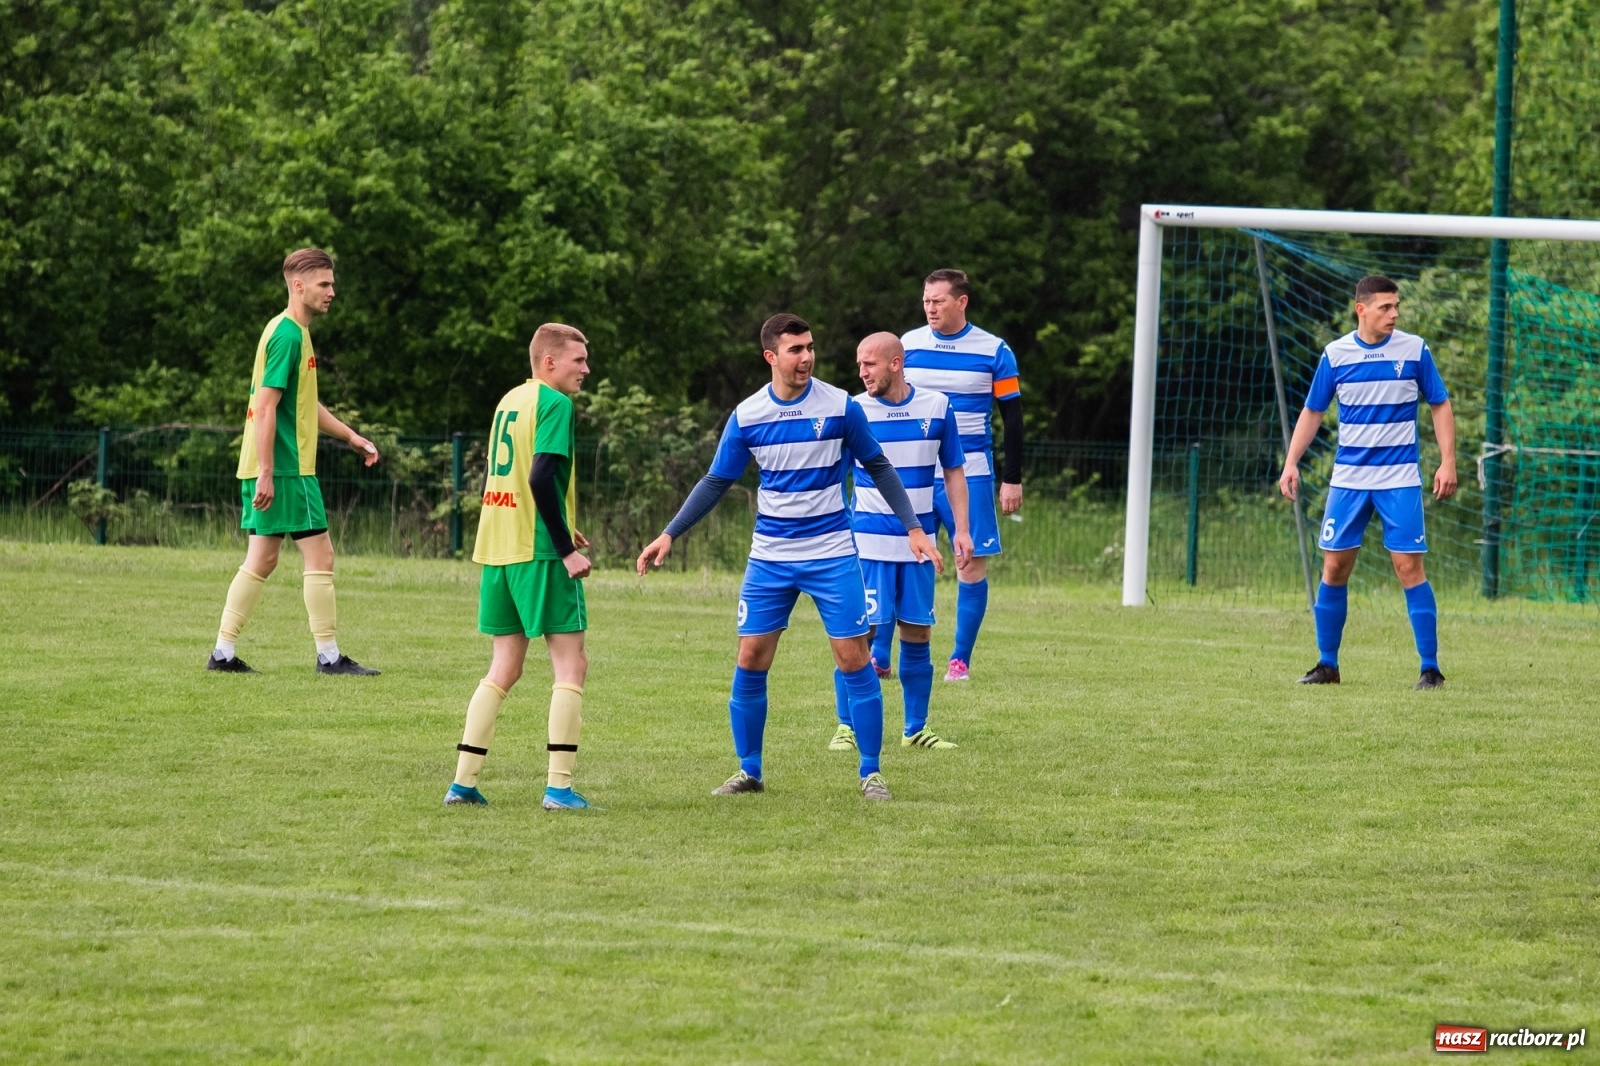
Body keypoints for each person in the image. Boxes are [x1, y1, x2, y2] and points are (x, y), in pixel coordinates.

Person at [636, 313, 940, 801]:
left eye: (810, 347)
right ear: (770, 357)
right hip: (771, 558)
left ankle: (871, 772)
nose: (807, 357)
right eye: (795, 350)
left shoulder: (840, 406)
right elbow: (716, 481)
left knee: (854, 657)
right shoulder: (749, 414)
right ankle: (749, 771)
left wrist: (914, 528)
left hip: (832, 553)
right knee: (751, 657)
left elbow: (879, 466)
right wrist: (670, 533)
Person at [206, 247, 381, 676]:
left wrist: (349, 435)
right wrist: (269, 472)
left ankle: (223, 653)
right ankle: (329, 657)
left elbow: (302, 404)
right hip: (286, 469)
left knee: (262, 559)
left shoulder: (288, 331)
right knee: (321, 556)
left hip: (270, 466)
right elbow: (266, 409)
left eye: (332, 283)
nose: (332, 292)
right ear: (298, 286)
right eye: (324, 284)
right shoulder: (287, 335)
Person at [444, 324, 598, 810]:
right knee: (571, 665)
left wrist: (563, 523)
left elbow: (517, 476)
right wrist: (564, 547)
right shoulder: (556, 404)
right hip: (538, 553)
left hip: (497, 549)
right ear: (549, 361)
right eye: (578, 360)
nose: (586, 369)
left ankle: (463, 784)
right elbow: (541, 474)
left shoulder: (511, 400)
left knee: (504, 667)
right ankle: (559, 787)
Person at [1279, 274, 1457, 690]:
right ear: (1362, 310)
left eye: (1397, 307)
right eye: (1385, 307)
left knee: (1408, 567)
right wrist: (1291, 462)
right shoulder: (1336, 354)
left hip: (1399, 478)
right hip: (1349, 480)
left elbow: (1440, 403)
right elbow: (1312, 411)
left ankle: (1430, 669)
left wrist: (1448, 461)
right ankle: (1327, 665)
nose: (1394, 314)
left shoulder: (1414, 350)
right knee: (1335, 565)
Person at [829, 333, 973, 754]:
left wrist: (961, 528)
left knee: (917, 633)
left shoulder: (937, 407)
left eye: (869, 364)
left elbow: (954, 472)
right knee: (857, 636)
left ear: (896, 363)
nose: (862, 373)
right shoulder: (854, 410)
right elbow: (836, 476)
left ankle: (915, 728)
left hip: (920, 547)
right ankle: (846, 726)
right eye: (859, 365)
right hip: (867, 547)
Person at [901, 268, 1023, 682]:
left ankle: (959, 660)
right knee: (906, 559)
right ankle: (881, 656)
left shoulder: (994, 350)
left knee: (969, 564)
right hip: (915, 472)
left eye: (938, 300)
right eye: (926, 300)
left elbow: (1013, 417)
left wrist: (1012, 477)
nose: (930, 308)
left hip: (971, 473)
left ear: (961, 301)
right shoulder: (907, 346)